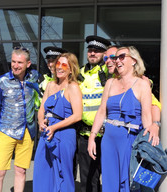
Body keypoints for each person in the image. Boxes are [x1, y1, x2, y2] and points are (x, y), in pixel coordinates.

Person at [87, 46, 160, 192]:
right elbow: (102, 112)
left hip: (129, 140)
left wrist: (152, 130)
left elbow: (146, 115)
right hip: (109, 140)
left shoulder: (143, 85)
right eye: (115, 58)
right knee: (109, 182)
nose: (117, 60)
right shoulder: (110, 83)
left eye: (121, 57)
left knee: (128, 182)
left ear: (133, 60)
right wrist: (92, 137)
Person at [0, 47, 40, 192]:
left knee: (21, 171)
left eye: (20, 62)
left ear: (28, 64)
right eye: (13, 61)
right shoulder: (2, 81)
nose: (16, 65)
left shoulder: (35, 77)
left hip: (27, 132)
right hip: (5, 131)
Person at [33, 52, 82, 192]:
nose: (59, 67)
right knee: (42, 170)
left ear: (71, 69)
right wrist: (41, 122)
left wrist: (54, 127)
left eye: (64, 64)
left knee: (63, 173)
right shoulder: (50, 85)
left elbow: (77, 115)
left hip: (64, 135)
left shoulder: (73, 87)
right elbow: (41, 109)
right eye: (58, 64)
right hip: (47, 133)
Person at [77, 35, 111, 192]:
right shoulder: (80, 73)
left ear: (104, 54)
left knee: (111, 176)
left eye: (97, 51)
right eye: (90, 50)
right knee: (87, 178)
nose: (92, 54)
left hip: (107, 134)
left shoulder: (109, 71)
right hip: (85, 134)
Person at [104, 45, 162, 131]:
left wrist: (155, 125)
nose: (110, 61)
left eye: (113, 57)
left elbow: (154, 105)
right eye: (105, 58)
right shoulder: (105, 76)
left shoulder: (139, 81)